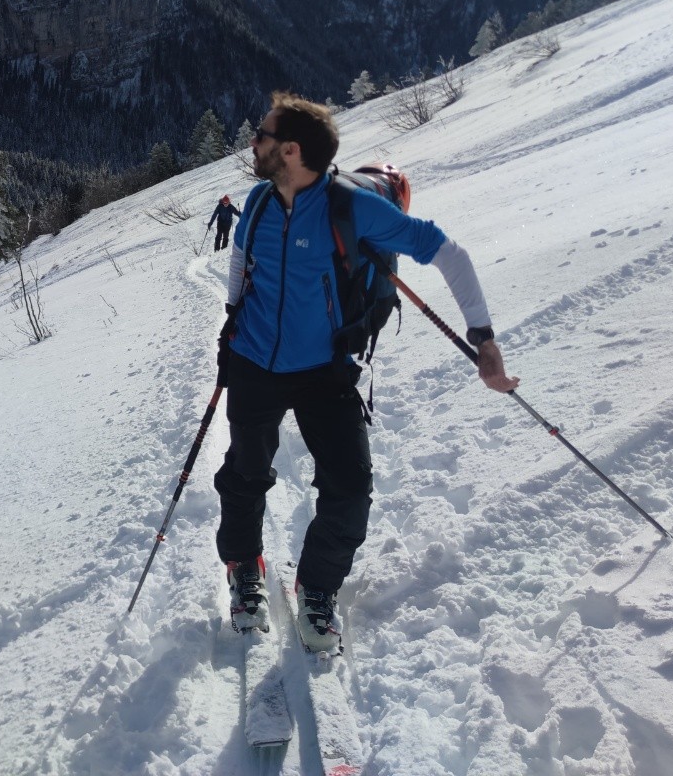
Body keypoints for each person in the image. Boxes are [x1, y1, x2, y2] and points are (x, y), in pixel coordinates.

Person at [217, 92, 517, 650]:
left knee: (350, 488)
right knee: (243, 477)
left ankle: (316, 588)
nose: (252, 140)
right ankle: (245, 570)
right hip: (255, 359)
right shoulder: (258, 202)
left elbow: (447, 252)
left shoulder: (351, 208)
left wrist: (484, 338)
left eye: (262, 133)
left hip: (325, 368)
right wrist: (231, 322)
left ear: (290, 150)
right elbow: (240, 259)